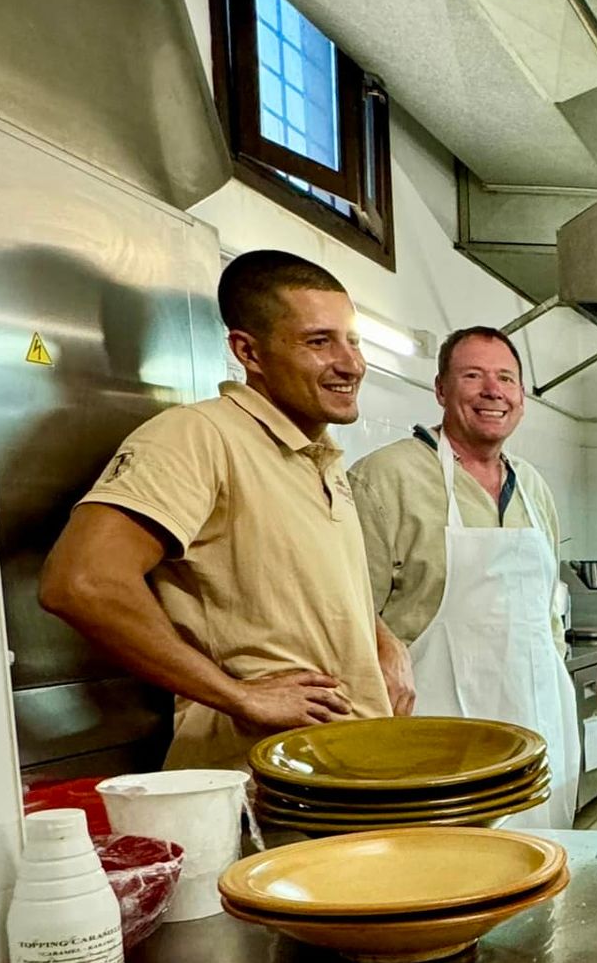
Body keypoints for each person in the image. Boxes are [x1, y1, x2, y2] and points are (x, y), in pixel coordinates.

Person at [40, 249, 411, 769]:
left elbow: (305, 586)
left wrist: (382, 640)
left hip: (348, 773)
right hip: (265, 783)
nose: (350, 363)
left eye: (352, 340)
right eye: (318, 342)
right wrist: (240, 697)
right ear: (249, 352)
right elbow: (81, 582)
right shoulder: (198, 436)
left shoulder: (317, 456)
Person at [347, 326, 580, 830]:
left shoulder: (533, 486)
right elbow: (346, 613)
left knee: (541, 878)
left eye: (506, 379)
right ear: (440, 390)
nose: (492, 391)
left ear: (520, 397)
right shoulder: (385, 478)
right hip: (435, 741)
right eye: (472, 376)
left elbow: (546, 611)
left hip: (538, 728)